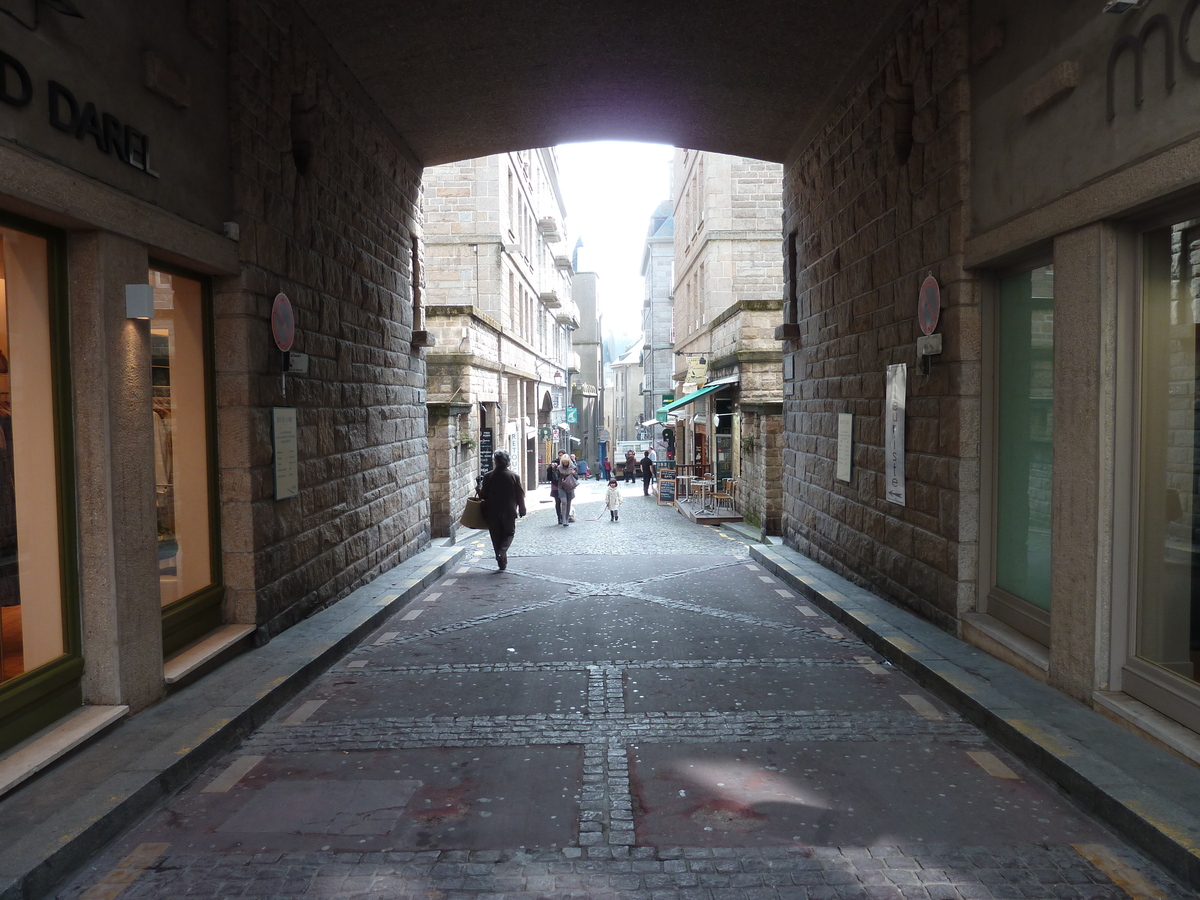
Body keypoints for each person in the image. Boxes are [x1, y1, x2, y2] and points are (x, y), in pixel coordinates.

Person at [478, 450, 525, 570]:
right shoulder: (514, 476)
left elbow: (483, 495)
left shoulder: (489, 476)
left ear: (495, 462)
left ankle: (501, 563)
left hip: (491, 511)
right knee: (509, 533)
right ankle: (502, 552)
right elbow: (519, 495)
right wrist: (522, 508)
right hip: (508, 511)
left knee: (496, 536)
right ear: (507, 462)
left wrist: (478, 488)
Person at [555, 452, 578, 526]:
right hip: (561, 486)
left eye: (566, 462)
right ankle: (563, 519)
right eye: (564, 462)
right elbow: (556, 477)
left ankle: (566, 519)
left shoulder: (573, 467)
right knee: (564, 502)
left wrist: (574, 473)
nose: (565, 464)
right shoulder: (559, 468)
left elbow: (577, 478)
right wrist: (553, 469)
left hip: (570, 486)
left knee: (568, 503)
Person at [546, 459, 563, 523]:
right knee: (558, 502)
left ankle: (565, 517)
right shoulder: (554, 463)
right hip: (556, 486)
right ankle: (559, 517)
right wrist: (551, 468)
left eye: (562, 455)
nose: (561, 456)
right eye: (560, 455)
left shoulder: (567, 462)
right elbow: (549, 477)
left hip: (565, 486)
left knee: (565, 502)